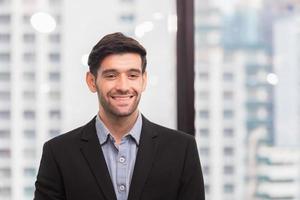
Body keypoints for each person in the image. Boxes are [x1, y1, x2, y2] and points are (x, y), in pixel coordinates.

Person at [34, 32, 205, 200]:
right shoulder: (58, 153)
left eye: (132, 75)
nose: (123, 86)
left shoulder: (182, 149)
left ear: (143, 80)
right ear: (92, 81)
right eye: (111, 75)